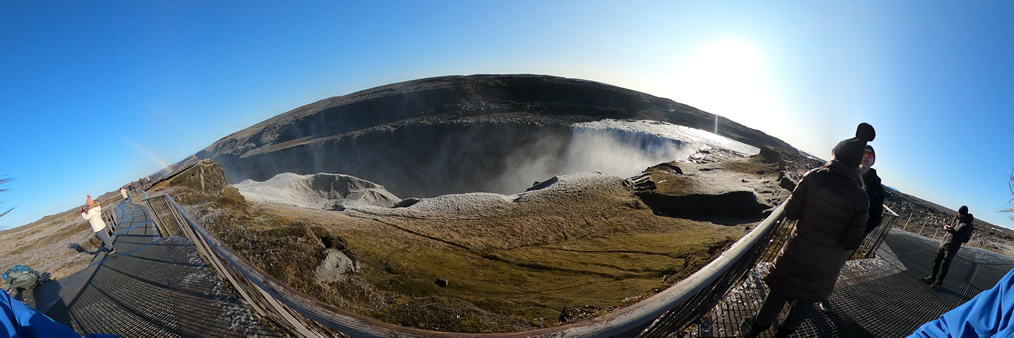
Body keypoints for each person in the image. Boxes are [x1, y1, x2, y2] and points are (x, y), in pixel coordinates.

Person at [741, 123, 875, 338]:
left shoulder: (815, 176)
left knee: (779, 293)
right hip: (825, 264)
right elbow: (852, 241)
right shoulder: (861, 197)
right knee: (806, 300)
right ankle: (782, 335)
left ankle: (754, 330)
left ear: (837, 154)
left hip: (797, 251)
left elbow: (791, 212)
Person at [921, 206, 974, 289]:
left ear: (965, 214)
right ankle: (932, 277)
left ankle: (939, 282)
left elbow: (965, 239)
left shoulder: (968, 225)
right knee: (936, 261)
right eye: (958, 213)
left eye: (961, 214)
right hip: (943, 243)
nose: (959, 215)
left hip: (952, 247)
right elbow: (949, 225)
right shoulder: (955, 219)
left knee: (945, 265)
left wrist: (954, 232)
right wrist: (946, 227)